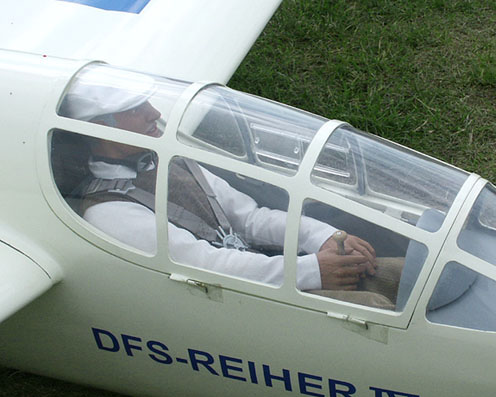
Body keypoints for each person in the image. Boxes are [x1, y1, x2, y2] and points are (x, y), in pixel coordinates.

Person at [58, 73, 400, 305]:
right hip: (228, 301)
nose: (155, 113)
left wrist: (321, 237)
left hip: (267, 276)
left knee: (397, 274)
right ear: (100, 127)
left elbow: (249, 218)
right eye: (136, 109)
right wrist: (311, 271)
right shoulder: (109, 212)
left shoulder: (165, 158)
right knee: (374, 307)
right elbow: (206, 266)